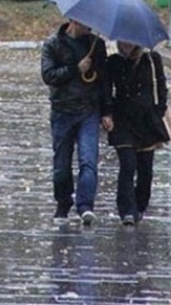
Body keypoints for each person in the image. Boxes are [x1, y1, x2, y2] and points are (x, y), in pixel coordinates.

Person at [40, 19, 111, 225]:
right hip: (62, 111)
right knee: (61, 164)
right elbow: (48, 75)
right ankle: (63, 204)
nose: (89, 26)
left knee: (88, 160)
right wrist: (75, 69)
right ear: (73, 20)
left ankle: (85, 205)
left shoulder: (96, 45)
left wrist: (107, 111)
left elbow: (103, 80)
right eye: (84, 22)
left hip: (89, 111)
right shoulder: (53, 44)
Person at [103, 41, 170, 226]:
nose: (125, 44)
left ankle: (140, 206)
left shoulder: (152, 59)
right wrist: (107, 113)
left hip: (146, 121)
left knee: (145, 170)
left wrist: (159, 110)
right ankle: (126, 210)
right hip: (123, 120)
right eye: (122, 41)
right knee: (127, 164)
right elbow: (107, 90)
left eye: (129, 41)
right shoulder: (113, 62)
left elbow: (161, 87)